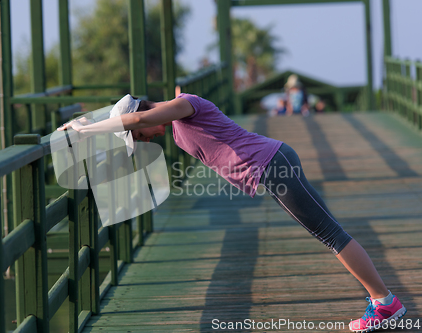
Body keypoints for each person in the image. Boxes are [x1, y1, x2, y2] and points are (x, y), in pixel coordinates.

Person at [57, 93, 406, 332]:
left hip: (272, 164)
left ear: (141, 116)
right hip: (270, 167)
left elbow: (144, 115)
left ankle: (384, 302)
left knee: (330, 235)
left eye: (139, 136)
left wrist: (83, 128)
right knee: (327, 234)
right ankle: (381, 300)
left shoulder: (183, 105)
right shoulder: (180, 117)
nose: (146, 139)